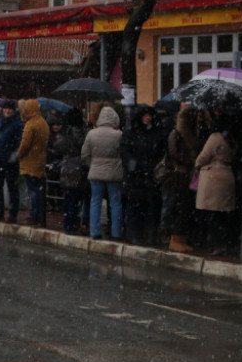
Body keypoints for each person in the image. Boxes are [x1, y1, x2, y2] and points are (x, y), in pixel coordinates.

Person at [120, 104, 167, 245]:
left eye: (150, 115)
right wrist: (136, 166)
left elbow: (160, 152)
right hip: (136, 178)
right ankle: (134, 235)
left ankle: (148, 235)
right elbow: (125, 153)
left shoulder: (156, 133)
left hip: (149, 178)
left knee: (150, 209)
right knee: (135, 208)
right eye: (145, 115)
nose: (148, 118)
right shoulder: (131, 133)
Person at [195, 112, 237, 256]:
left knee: (213, 214)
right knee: (224, 213)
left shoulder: (215, 137)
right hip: (227, 175)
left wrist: (196, 163)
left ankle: (216, 244)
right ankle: (226, 243)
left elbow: (204, 156)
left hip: (214, 177)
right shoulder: (231, 138)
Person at [81, 105, 123, 241]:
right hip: (114, 172)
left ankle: (94, 231)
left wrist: (92, 165)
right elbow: (122, 154)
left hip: (95, 172)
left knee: (95, 201)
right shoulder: (119, 135)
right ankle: (116, 232)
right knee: (115, 202)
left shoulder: (92, 134)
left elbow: (85, 154)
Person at [162, 105, 198, 252]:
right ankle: (173, 238)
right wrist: (190, 161)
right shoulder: (176, 133)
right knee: (176, 206)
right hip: (178, 175)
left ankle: (179, 238)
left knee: (183, 207)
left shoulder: (189, 134)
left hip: (186, 175)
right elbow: (173, 152)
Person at [0, 100, 23, 222]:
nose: (7, 111)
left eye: (10, 109)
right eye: (5, 108)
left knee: (12, 188)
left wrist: (12, 157)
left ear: (13, 111)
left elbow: (19, 143)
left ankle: (12, 214)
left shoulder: (17, 125)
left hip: (9, 162)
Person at [16, 99, 49, 226]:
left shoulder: (31, 124)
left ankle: (34, 215)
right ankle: (39, 215)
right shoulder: (43, 123)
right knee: (38, 190)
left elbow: (24, 144)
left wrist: (18, 155)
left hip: (29, 162)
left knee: (33, 190)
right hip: (40, 160)